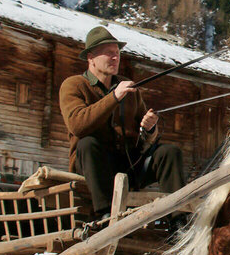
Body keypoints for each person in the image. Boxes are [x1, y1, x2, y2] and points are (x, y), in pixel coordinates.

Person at [59, 26, 186, 215]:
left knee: (169, 152)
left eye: (117, 53)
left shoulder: (128, 88)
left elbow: (145, 137)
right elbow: (78, 125)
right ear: (91, 58)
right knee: (87, 144)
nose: (115, 58)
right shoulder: (74, 85)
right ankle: (105, 214)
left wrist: (150, 128)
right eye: (109, 53)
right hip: (95, 169)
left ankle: (179, 218)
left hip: (128, 166)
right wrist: (114, 97)